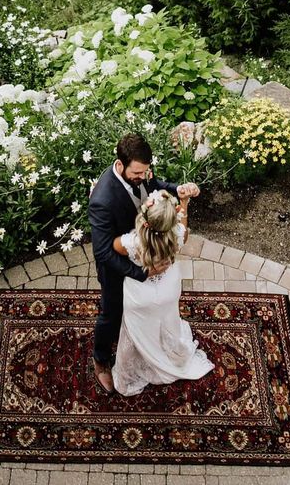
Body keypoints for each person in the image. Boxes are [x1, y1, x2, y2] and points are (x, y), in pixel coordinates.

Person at [87, 132, 200, 394]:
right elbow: (103, 252)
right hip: (118, 265)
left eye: (145, 171)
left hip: (143, 243)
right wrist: (141, 272)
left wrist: (177, 190)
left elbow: (155, 183)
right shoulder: (102, 201)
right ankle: (100, 360)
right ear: (120, 164)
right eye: (137, 173)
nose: (143, 176)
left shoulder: (142, 171)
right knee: (110, 312)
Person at [111, 187, 214, 396]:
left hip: (140, 296)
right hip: (167, 291)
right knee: (166, 322)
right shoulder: (177, 236)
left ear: (145, 218)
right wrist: (184, 204)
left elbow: (112, 245)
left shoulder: (132, 243)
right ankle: (168, 354)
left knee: (137, 330)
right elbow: (183, 229)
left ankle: (133, 367)